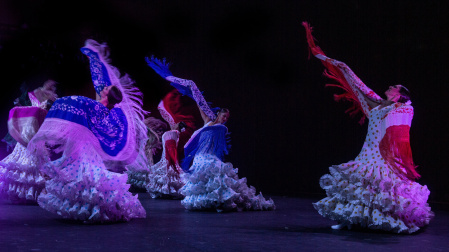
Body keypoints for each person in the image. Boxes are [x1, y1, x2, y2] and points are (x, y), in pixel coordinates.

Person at [303, 22, 433, 233]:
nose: (389, 87)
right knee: (360, 186)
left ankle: (391, 219)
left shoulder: (403, 109)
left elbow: (401, 131)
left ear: (399, 94)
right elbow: (359, 86)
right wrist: (336, 64)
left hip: (386, 155)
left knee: (383, 189)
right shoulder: (376, 104)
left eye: (393, 87)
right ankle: (350, 219)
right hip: (368, 151)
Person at [27, 39, 147, 223]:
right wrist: (94, 59)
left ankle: (90, 208)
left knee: (85, 177)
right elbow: (99, 80)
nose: (103, 88)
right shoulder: (99, 105)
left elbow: (79, 102)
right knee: (79, 177)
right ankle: (83, 207)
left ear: (108, 94)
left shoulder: (100, 108)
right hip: (82, 144)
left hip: (86, 147)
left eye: (106, 89)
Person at [146, 56, 275, 212]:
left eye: (228, 118)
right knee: (200, 184)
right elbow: (195, 92)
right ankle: (207, 202)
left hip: (212, 160)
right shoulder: (209, 118)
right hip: (200, 159)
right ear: (218, 113)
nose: (226, 119)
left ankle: (219, 201)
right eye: (224, 115)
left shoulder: (222, 129)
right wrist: (170, 77)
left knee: (220, 182)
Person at [0, 79, 58, 203]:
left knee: (36, 158)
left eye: (52, 85)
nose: (50, 86)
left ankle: (34, 192)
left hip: (39, 128)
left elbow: (50, 112)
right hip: (29, 127)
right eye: (49, 83)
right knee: (23, 155)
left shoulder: (53, 98)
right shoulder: (35, 93)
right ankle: (19, 192)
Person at [146, 122, 186, 199]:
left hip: (166, 156)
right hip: (167, 156)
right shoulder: (173, 133)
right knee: (168, 174)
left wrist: (173, 161)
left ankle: (166, 192)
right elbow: (171, 148)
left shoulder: (172, 133)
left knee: (167, 175)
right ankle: (167, 192)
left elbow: (171, 148)